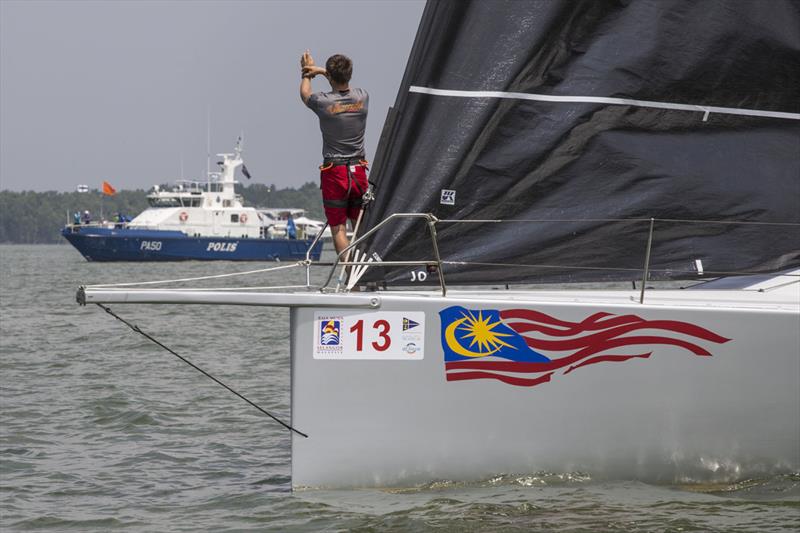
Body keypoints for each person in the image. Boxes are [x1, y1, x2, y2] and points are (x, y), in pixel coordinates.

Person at [300, 51, 369, 255]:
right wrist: (323, 71)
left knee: (339, 229)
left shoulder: (323, 102)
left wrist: (307, 72)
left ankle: (351, 281)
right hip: (358, 172)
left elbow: (304, 93)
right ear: (350, 74)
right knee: (360, 228)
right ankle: (364, 274)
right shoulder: (363, 97)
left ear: (330, 75)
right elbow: (338, 79)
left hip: (335, 172)